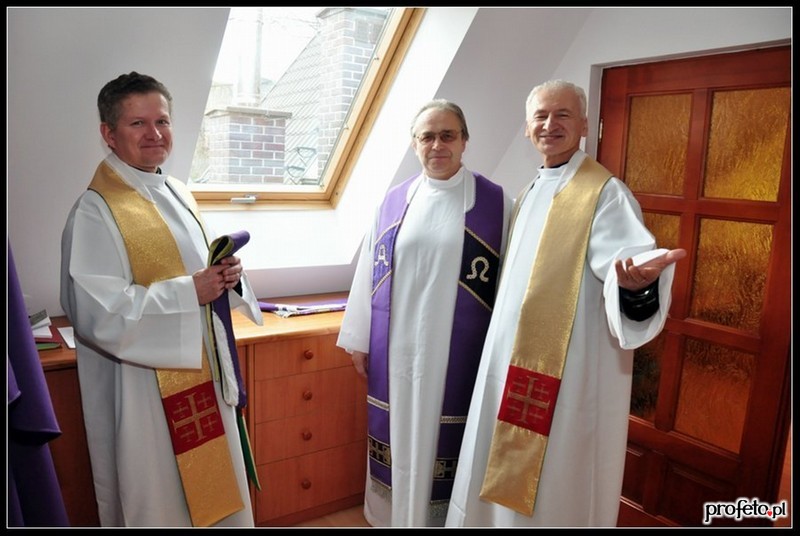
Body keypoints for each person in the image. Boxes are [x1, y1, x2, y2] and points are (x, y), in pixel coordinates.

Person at [445, 80, 687, 528]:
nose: (550, 125)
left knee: (556, 478)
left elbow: (626, 262)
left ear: (584, 126)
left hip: (567, 370)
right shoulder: (529, 191)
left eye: (563, 115)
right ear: (526, 128)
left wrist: (636, 284)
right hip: (508, 360)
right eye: (540, 116)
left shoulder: (605, 193)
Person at [60, 72, 263, 527]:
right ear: (108, 133)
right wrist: (191, 291)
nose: (154, 133)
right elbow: (98, 312)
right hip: (142, 389)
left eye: (162, 121)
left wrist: (227, 277)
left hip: (202, 371)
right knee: (159, 497)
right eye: (138, 123)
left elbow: (200, 271)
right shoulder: (95, 210)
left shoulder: (177, 192)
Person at [336, 99, 512, 527]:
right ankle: (395, 516)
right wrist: (359, 339)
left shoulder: (496, 204)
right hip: (397, 352)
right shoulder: (393, 203)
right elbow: (369, 275)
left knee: (445, 437)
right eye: (427, 137)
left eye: (447, 135)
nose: (437, 145)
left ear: (465, 140)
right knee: (398, 432)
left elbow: (510, 282)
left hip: (458, 354)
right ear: (414, 144)